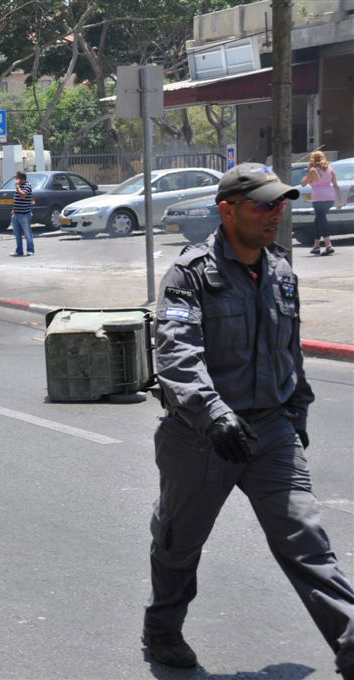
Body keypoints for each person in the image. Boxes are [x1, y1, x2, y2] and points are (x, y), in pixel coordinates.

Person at [143, 163, 354, 675]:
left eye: (280, 203)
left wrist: (296, 410)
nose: (275, 213)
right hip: (201, 435)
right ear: (227, 210)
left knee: (306, 540)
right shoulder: (191, 273)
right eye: (263, 204)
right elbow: (176, 354)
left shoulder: (281, 269)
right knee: (179, 542)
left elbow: (289, 352)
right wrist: (214, 415)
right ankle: (163, 627)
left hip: (271, 429)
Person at [301, 150, 342, 256]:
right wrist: (340, 200)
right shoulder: (330, 169)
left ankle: (329, 244)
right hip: (330, 198)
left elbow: (303, 184)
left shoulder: (313, 170)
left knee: (321, 219)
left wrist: (307, 171)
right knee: (318, 220)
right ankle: (316, 246)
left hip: (318, 197)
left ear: (313, 160)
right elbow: (336, 185)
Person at [10, 171, 34, 257]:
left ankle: (30, 250)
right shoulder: (19, 186)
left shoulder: (27, 186)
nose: (16, 180)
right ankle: (19, 251)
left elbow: (23, 195)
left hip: (24, 214)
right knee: (17, 234)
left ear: (22, 179)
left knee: (27, 233)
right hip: (16, 214)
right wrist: (13, 209)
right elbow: (17, 198)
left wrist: (17, 186)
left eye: (17, 178)